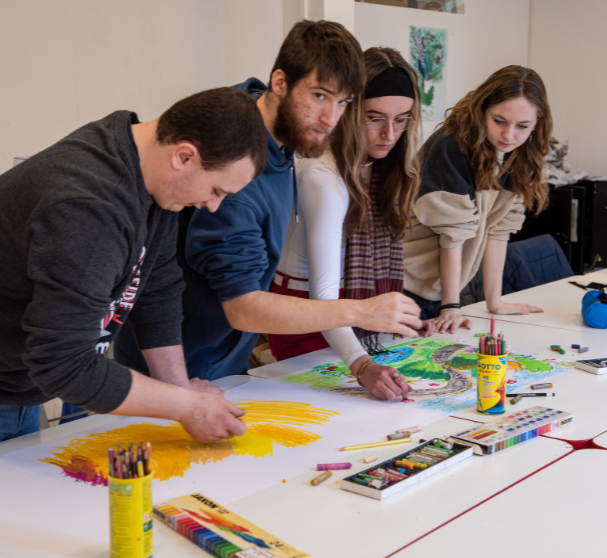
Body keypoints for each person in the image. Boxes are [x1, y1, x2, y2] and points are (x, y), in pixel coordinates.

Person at [0, 87, 268, 473]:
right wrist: (184, 406)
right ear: (184, 156)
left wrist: (178, 389)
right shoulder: (89, 205)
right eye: (215, 190)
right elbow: (65, 365)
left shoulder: (150, 174)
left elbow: (156, 288)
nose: (213, 205)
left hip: (10, 377)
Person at [114, 21, 424, 382]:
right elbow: (243, 306)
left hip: (218, 352)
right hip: (182, 362)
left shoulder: (257, 114)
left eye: (342, 102)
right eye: (319, 96)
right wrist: (359, 318)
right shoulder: (238, 173)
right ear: (280, 82)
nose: (331, 119)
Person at [268, 47, 425, 401]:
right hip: (307, 316)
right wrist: (363, 365)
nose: (389, 134)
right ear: (350, 112)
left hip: (348, 313)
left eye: (402, 119)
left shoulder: (377, 165)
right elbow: (323, 300)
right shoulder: (323, 178)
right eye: (375, 118)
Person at [402, 65, 552, 332]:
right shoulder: (452, 144)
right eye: (499, 121)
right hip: (406, 284)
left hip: (443, 291)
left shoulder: (519, 155)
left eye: (522, 126)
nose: (509, 135)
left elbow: (499, 230)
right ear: (482, 109)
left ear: (537, 122)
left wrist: (495, 302)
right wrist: (451, 306)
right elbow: (453, 234)